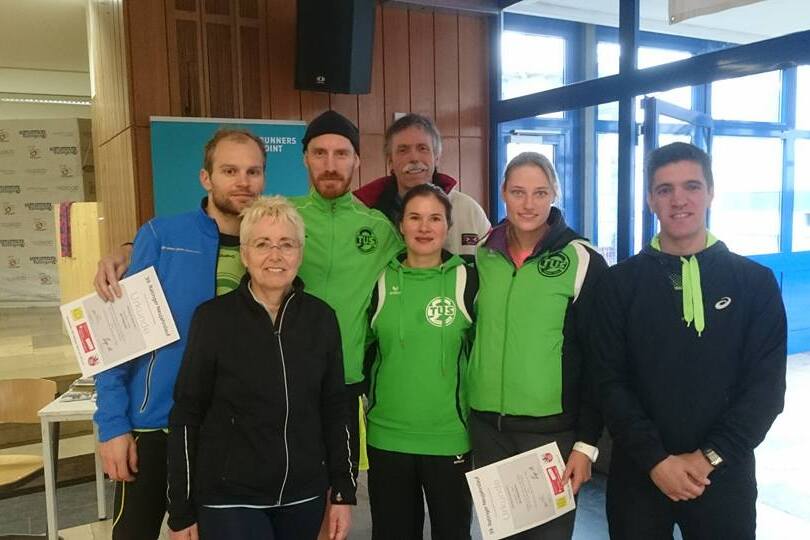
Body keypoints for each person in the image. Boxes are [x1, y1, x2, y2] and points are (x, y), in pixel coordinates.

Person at [593, 142, 787, 540]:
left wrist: (708, 458)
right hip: (639, 476)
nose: (678, 199)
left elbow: (766, 389)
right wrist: (656, 461)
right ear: (650, 199)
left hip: (723, 476)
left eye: (692, 186)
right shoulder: (618, 284)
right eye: (664, 189)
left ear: (711, 192)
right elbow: (607, 381)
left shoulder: (754, 283)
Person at [93, 129, 267, 539]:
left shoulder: (268, 244)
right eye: (229, 170)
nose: (243, 181)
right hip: (155, 426)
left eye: (253, 171)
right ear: (206, 178)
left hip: (227, 434)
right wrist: (113, 425)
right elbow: (116, 337)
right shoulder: (163, 237)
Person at [166, 196, 355, 540]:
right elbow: (186, 414)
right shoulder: (212, 319)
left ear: (300, 251)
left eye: (286, 244)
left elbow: (335, 407)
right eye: (263, 244)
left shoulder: (321, 318)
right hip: (229, 498)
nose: (276, 255)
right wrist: (181, 509)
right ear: (245, 253)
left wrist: (343, 489)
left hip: (304, 494)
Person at [466, 152, 607, 539]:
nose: (529, 204)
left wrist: (586, 444)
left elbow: (601, 362)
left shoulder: (582, 259)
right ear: (503, 194)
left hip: (550, 437)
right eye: (518, 192)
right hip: (488, 432)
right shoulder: (482, 254)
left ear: (554, 194)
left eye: (540, 192)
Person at [365, 183, 477, 539]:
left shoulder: (469, 280)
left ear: (447, 226)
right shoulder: (379, 278)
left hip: (449, 438)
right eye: (415, 217)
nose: (424, 227)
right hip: (387, 437)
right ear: (401, 224)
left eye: (434, 218)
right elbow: (363, 349)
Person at [353, 113, 490, 255]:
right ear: (390, 162)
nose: (414, 158)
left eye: (422, 148)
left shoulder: (468, 211)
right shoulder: (365, 214)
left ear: (436, 158)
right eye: (403, 150)